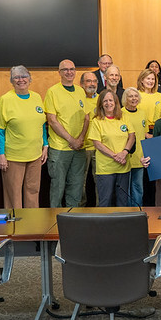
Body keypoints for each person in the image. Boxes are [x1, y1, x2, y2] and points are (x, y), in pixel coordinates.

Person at [0, 65, 48, 209]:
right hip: (13, 156)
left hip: (35, 155)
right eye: (16, 77)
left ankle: (32, 225)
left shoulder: (36, 97)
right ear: (11, 81)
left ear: (30, 79)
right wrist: (1, 155)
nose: (21, 80)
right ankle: (15, 228)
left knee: (33, 192)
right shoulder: (5, 100)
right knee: (13, 195)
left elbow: (41, 123)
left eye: (24, 76)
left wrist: (45, 145)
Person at [44, 59, 89, 208]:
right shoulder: (52, 91)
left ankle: (73, 220)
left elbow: (86, 117)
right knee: (58, 187)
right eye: (65, 70)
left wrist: (80, 138)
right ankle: (54, 222)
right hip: (60, 148)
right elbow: (52, 120)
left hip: (79, 148)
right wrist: (71, 139)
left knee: (76, 187)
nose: (69, 72)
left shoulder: (81, 91)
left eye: (72, 69)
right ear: (59, 72)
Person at [87, 90, 135, 207]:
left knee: (122, 201)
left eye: (111, 100)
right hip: (105, 169)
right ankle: (102, 225)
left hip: (123, 167)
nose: (108, 103)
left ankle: (122, 225)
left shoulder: (124, 117)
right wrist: (115, 156)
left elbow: (132, 136)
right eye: (105, 101)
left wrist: (124, 153)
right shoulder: (97, 121)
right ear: (101, 104)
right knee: (105, 201)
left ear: (116, 102)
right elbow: (97, 143)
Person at [122, 88, 150, 206]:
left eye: (136, 96)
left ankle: (138, 211)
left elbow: (145, 133)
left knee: (138, 187)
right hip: (125, 156)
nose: (134, 98)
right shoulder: (121, 113)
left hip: (140, 157)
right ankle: (128, 214)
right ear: (125, 99)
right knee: (126, 189)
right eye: (130, 96)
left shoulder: (143, 112)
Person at [79, 72, 99, 206]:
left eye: (94, 81)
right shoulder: (77, 98)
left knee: (100, 181)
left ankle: (101, 209)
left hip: (99, 148)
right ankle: (80, 209)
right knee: (81, 182)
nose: (92, 84)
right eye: (88, 81)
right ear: (81, 84)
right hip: (82, 147)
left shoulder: (102, 99)